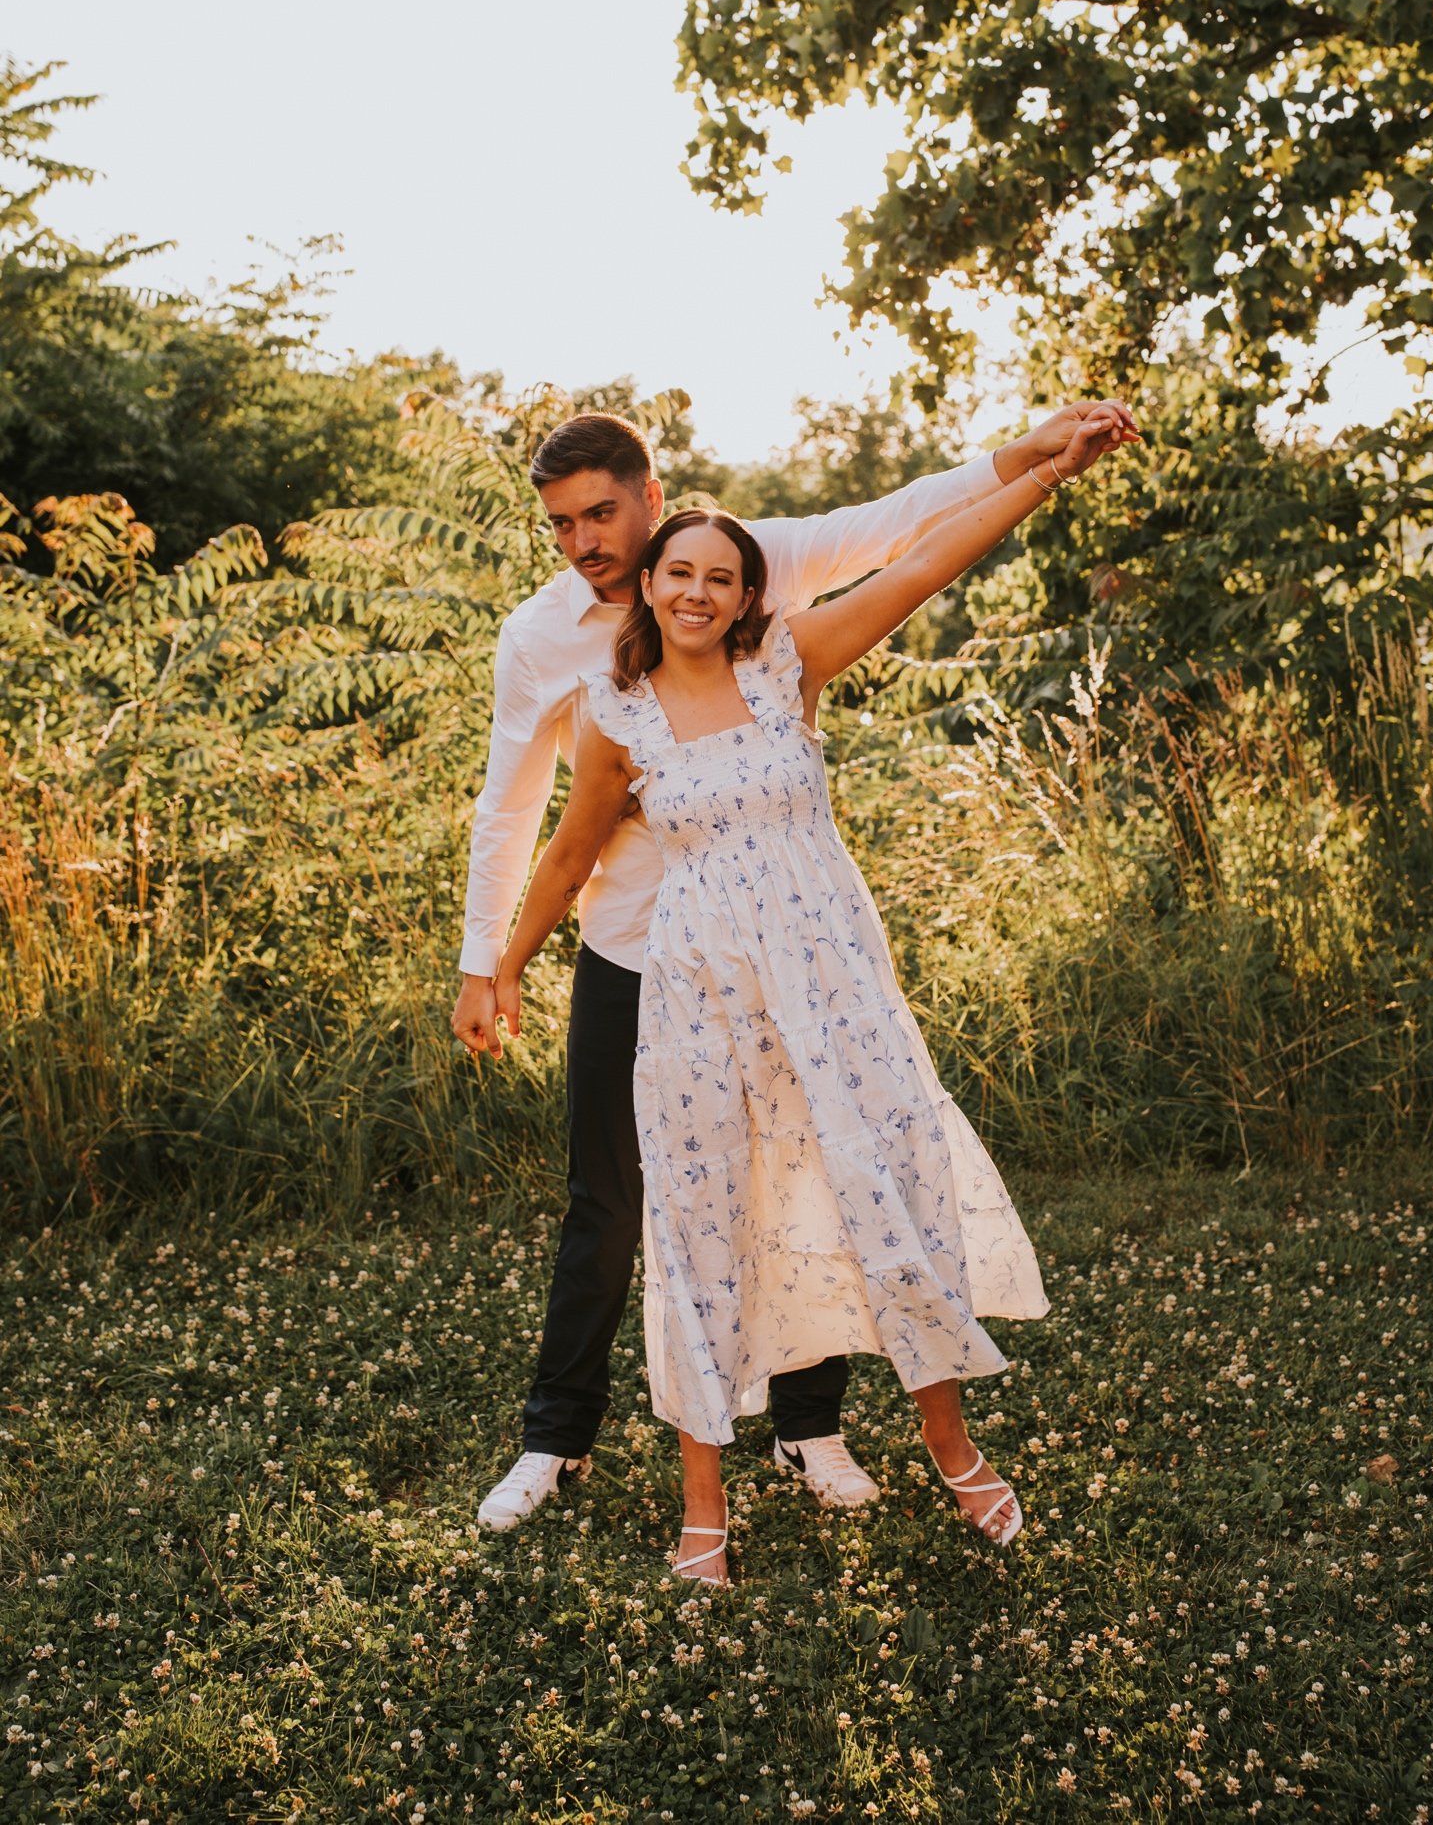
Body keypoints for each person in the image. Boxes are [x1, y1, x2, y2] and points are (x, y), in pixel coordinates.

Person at [453, 402, 1135, 1532]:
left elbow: (903, 533)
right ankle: (553, 1440)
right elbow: (521, 814)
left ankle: (807, 1425)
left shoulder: (745, 574)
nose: (583, 540)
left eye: (602, 512)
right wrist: (490, 963)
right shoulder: (541, 642)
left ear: (654, 499)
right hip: (637, 956)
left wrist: (1036, 457)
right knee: (611, 1203)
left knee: (812, 1170)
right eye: (561, 524)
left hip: (790, 957)